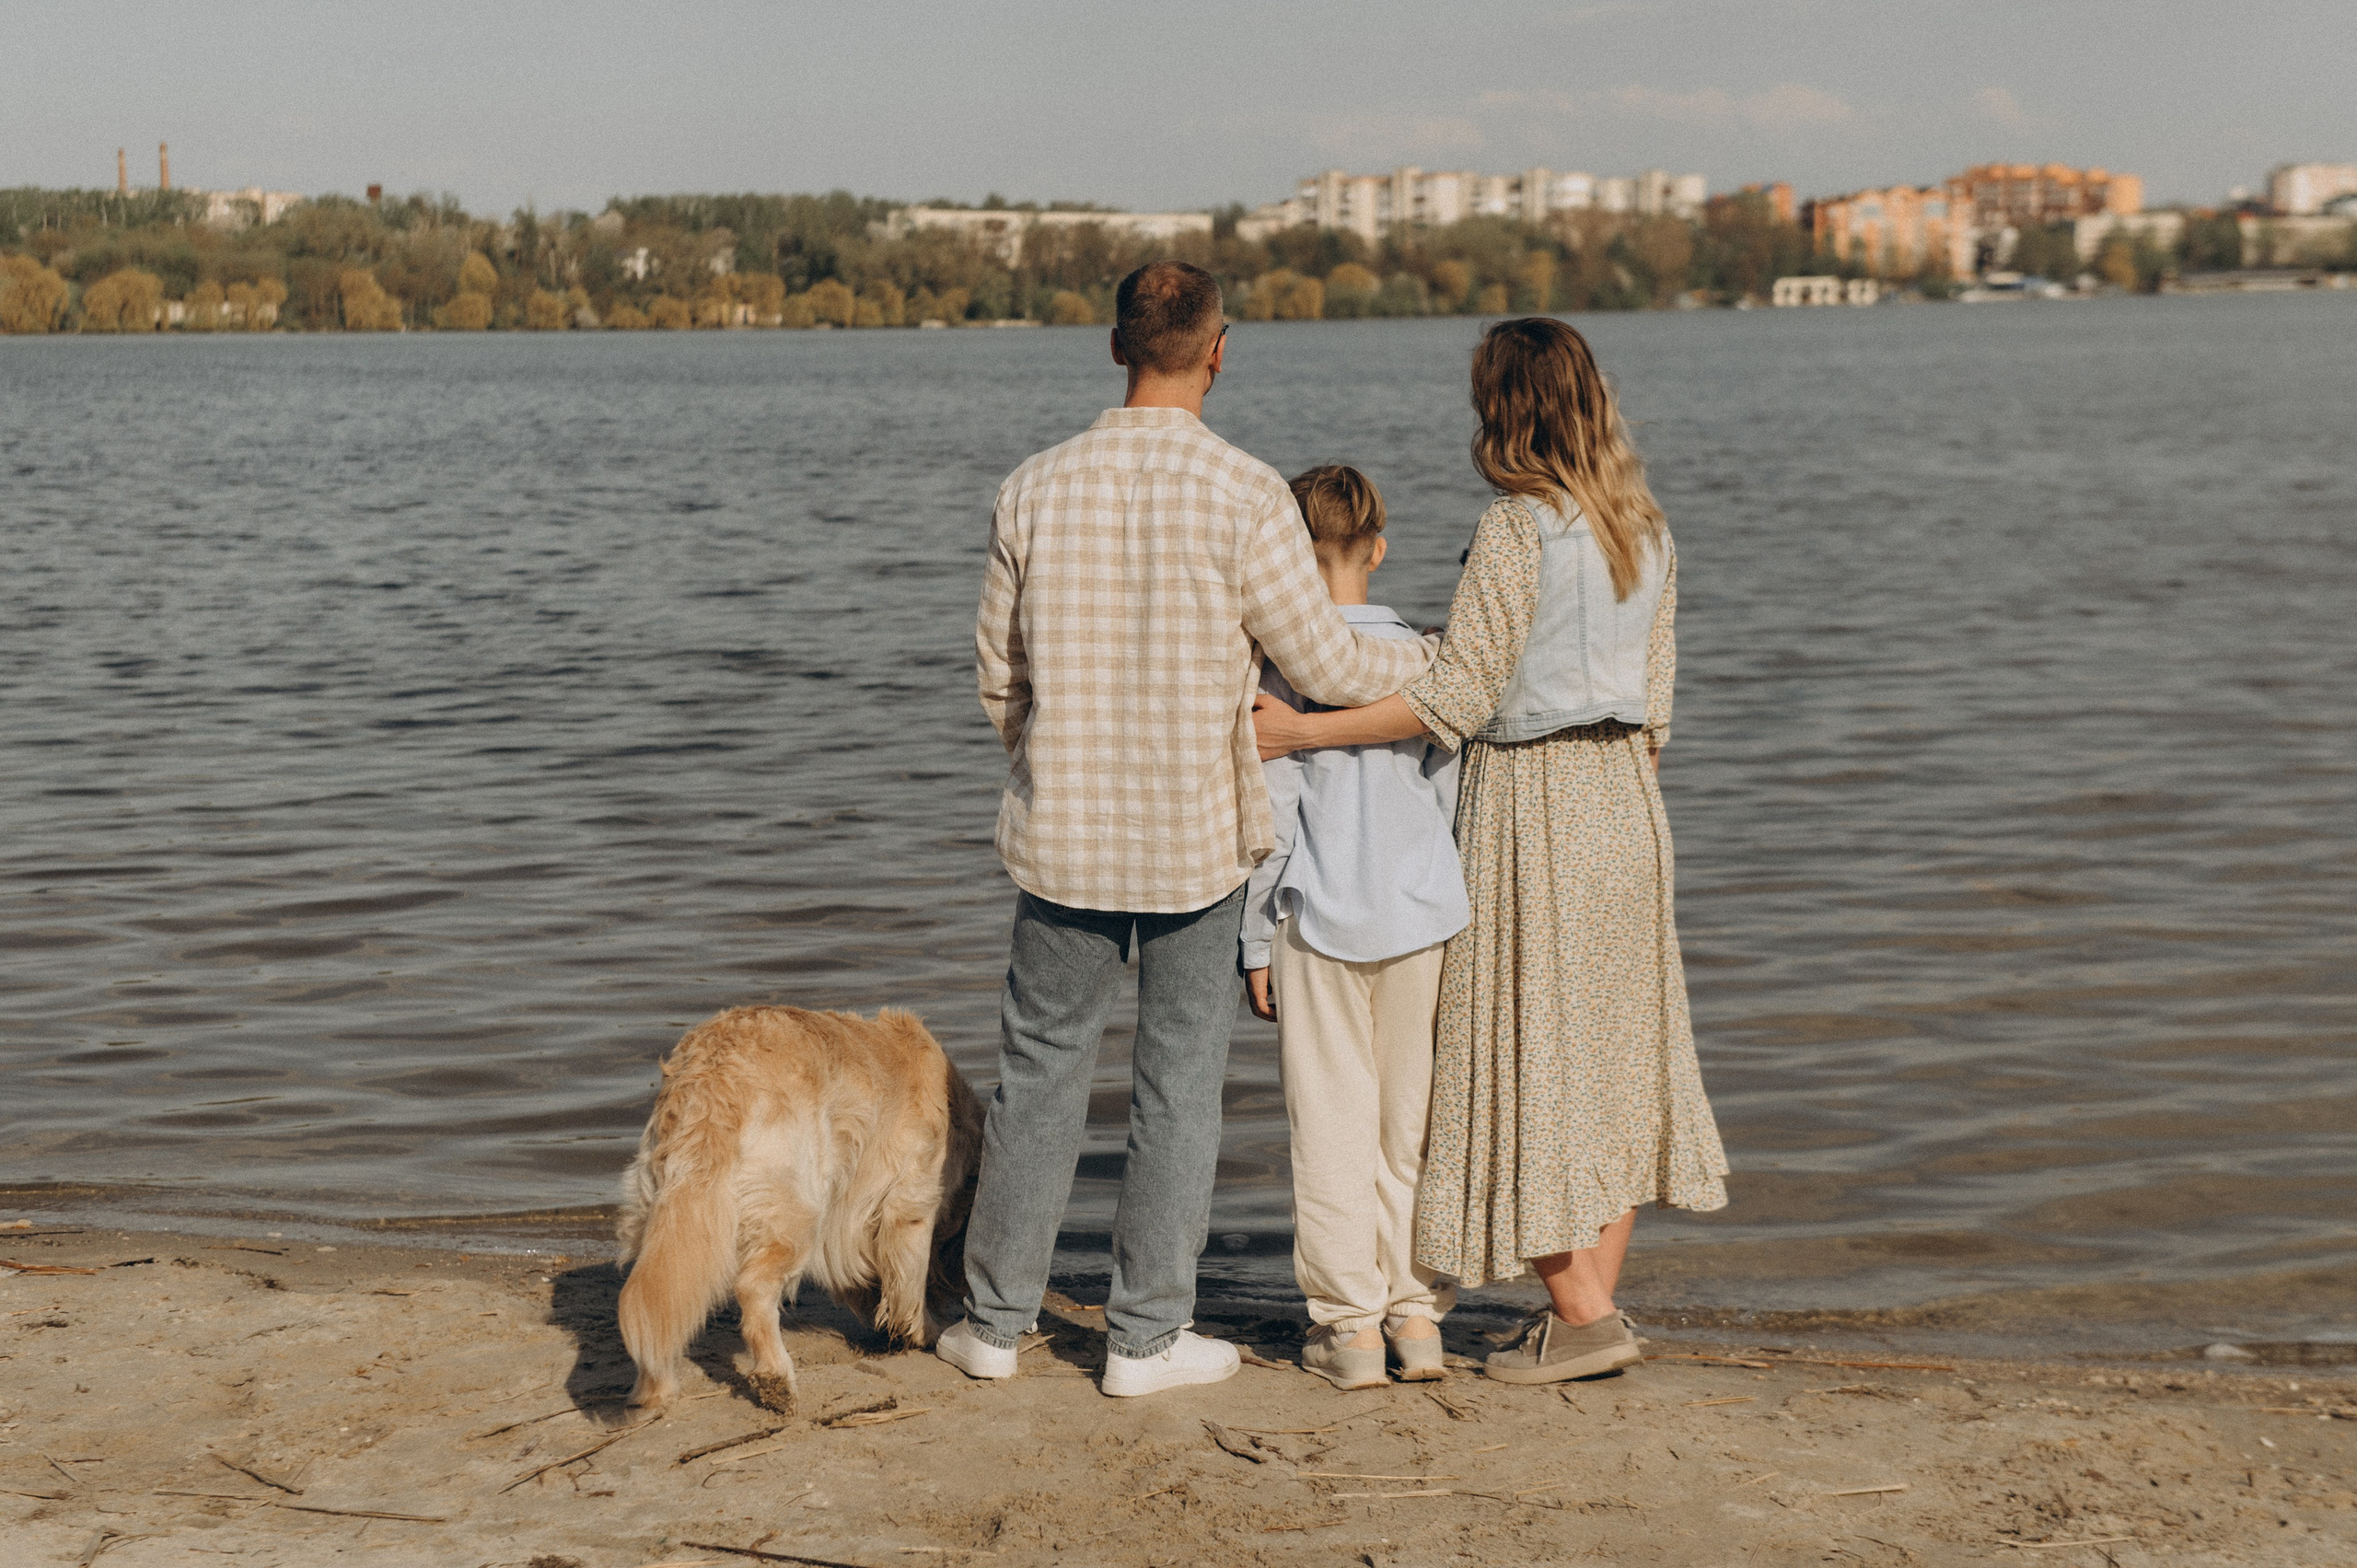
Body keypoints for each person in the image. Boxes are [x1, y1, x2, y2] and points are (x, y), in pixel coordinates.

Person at [941, 261, 1434, 1398]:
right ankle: (1144, 1338)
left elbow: (995, 681)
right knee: (1176, 1085)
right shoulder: (1248, 492)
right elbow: (1324, 665)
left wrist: (1047, 765)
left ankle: (995, 1322)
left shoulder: (1033, 486)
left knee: (1037, 1074)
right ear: (1219, 350)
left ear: (1115, 349)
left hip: (1060, 837)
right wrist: (1432, 658)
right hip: (1196, 844)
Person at [1252, 318, 1728, 1385]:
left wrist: (1300, 731)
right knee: (1610, 1066)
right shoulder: (1644, 530)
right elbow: (1656, 716)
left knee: (1518, 1060)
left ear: (1501, 409)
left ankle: (1586, 1317)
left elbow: (1453, 698)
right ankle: (1583, 1312)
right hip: (1628, 810)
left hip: (1535, 803)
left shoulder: (1516, 530)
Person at [1240, 464, 1468, 1390]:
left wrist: (1254, 940)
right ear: (1378, 546)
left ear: (1292, 556)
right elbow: (1451, 798)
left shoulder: (1279, 671)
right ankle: (1417, 1313)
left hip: (1320, 920)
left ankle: (1349, 1328)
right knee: (1408, 1124)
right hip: (1421, 918)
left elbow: (1270, 816)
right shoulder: (1423, 658)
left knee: (1329, 1126)